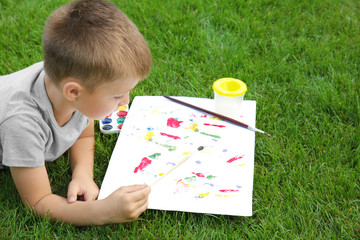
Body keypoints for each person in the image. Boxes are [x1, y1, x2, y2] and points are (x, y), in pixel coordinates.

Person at [0, 0, 152, 225]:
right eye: (117, 95)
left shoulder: (74, 90)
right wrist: (102, 212)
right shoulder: (22, 123)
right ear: (73, 92)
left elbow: (83, 134)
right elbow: (38, 201)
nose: (125, 101)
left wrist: (82, 173)